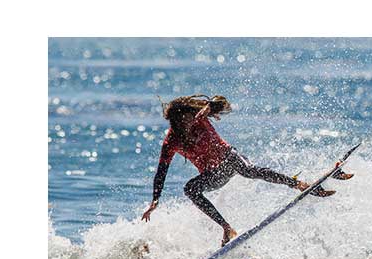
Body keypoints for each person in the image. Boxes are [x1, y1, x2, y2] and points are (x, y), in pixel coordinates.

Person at [141, 94, 353, 246]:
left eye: (191, 116)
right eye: (184, 120)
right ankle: (226, 227)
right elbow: (161, 171)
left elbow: (222, 102)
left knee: (248, 170)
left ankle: (298, 184)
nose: (190, 122)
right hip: (214, 175)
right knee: (190, 189)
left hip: (230, 157)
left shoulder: (201, 118)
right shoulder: (172, 140)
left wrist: (211, 106)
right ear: (176, 122)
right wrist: (155, 200)